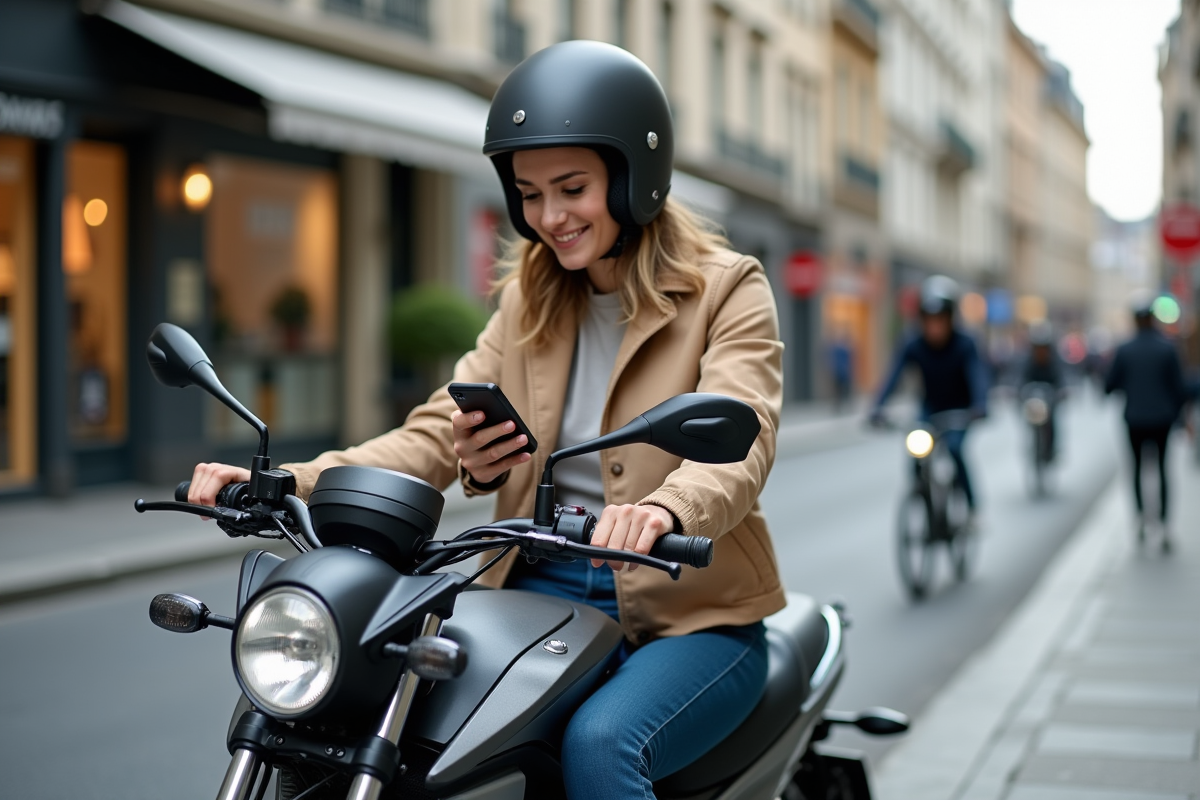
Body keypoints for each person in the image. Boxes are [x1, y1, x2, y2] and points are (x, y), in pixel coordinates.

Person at [186, 41, 785, 800]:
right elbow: (434, 432)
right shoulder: (527, 300)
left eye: (572, 187)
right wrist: (290, 478)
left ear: (634, 176)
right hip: (535, 590)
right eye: (531, 194)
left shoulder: (727, 289)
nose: (551, 217)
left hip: (692, 614)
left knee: (601, 748)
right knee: (409, 734)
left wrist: (668, 508)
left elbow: (744, 433)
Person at [870, 276, 989, 518]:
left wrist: (980, 405)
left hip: (960, 410)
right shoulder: (913, 343)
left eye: (940, 320)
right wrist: (877, 406)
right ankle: (924, 500)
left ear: (950, 319)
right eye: (930, 320)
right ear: (922, 320)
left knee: (955, 450)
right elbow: (893, 375)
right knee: (916, 453)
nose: (935, 326)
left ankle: (972, 507)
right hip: (931, 407)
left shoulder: (965, 344)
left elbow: (978, 376)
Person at [1105, 297, 1187, 549]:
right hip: (1162, 419)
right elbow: (1179, 388)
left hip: (1135, 419)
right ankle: (1163, 525)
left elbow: (1110, 385)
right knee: (1162, 470)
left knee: (1138, 470)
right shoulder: (1167, 348)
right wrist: (1182, 418)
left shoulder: (1125, 349)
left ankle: (1141, 518)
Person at [1019, 322, 1065, 459]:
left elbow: (1063, 378)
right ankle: (1033, 449)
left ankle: (1052, 449)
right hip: (1033, 403)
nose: (1040, 351)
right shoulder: (1027, 362)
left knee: (1053, 422)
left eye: (1043, 348)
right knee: (1027, 419)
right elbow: (1019, 379)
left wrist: (1062, 391)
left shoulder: (1054, 362)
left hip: (1049, 402)